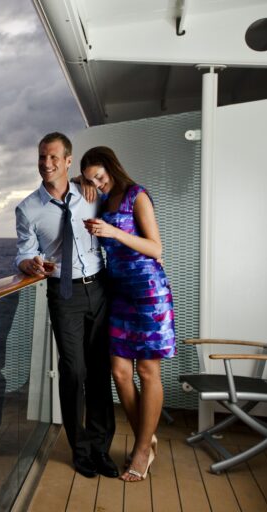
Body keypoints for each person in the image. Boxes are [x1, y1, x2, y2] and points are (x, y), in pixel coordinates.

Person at [14, 132, 117, 479]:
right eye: (42, 157)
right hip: (63, 294)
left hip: (99, 288)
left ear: (69, 161)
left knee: (100, 369)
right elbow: (25, 251)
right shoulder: (27, 208)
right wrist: (28, 263)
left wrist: (82, 182)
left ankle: (102, 447)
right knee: (74, 371)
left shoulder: (90, 195)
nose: (46, 163)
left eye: (54, 157)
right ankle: (81, 449)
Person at [80, 146, 176, 482]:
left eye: (101, 177)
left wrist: (115, 232)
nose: (99, 184)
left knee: (148, 372)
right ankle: (146, 440)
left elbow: (156, 248)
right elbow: (80, 180)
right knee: (120, 372)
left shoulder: (137, 195)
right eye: (93, 179)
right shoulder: (101, 199)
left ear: (113, 168)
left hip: (148, 291)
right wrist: (83, 181)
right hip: (118, 293)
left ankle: (140, 450)